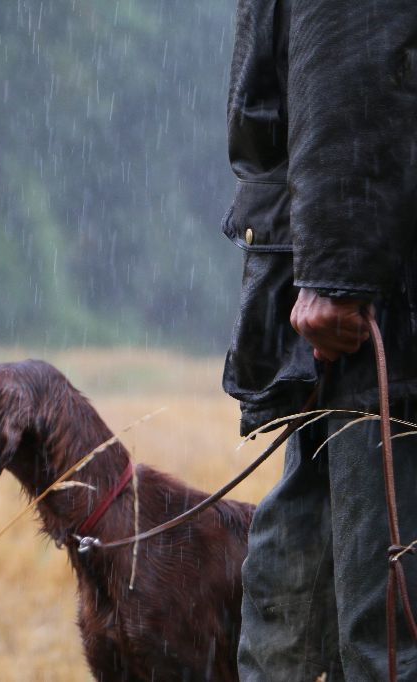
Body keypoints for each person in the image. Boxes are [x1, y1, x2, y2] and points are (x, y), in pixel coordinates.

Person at [222, 1, 417, 679]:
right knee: (297, 620)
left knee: (380, 637)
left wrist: (337, 272)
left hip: (379, 314)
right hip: (370, 295)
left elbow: (354, 50)